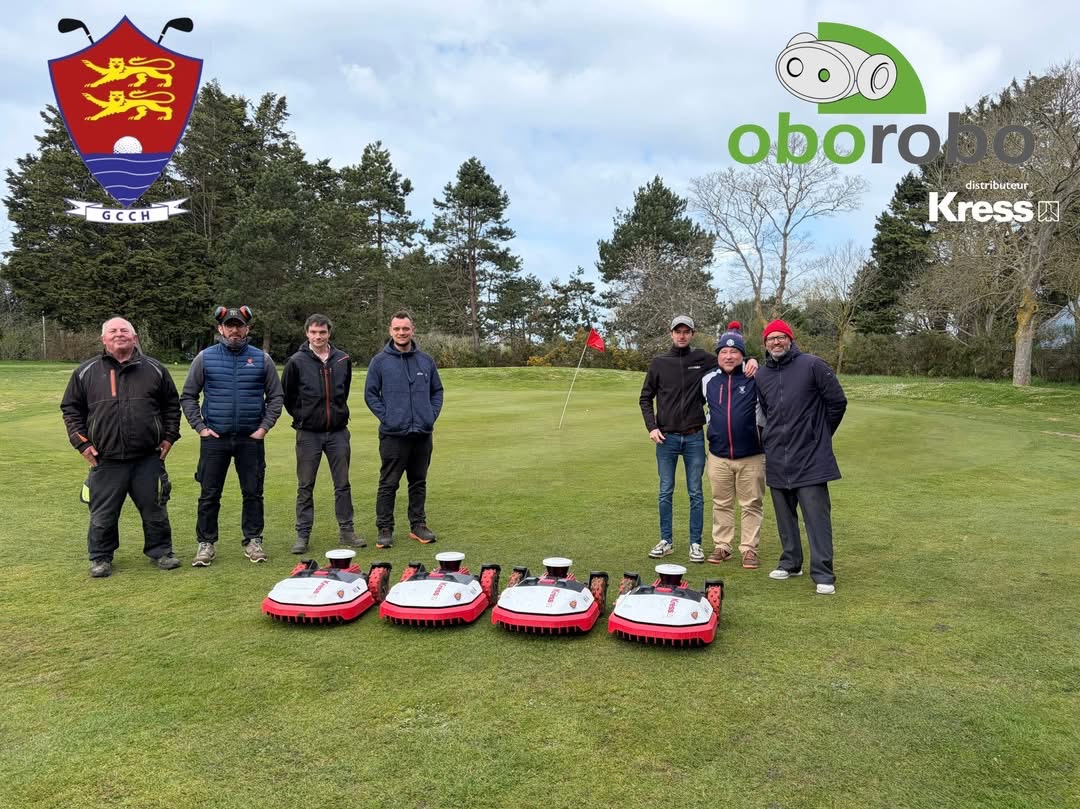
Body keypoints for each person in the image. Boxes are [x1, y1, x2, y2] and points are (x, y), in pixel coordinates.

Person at [61, 317, 182, 577]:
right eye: (113, 331)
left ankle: (161, 552)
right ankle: (101, 558)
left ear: (135, 337)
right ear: (104, 339)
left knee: (155, 509)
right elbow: (71, 409)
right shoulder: (86, 371)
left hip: (147, 458)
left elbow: (172, 405)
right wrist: (81, 444)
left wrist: (169, 437)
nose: (119, 334)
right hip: (105, 459)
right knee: (102, 514)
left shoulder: (155, 369)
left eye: (124, 330)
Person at [180, 306, 283, 566]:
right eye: (229, 325)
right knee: (209, 493)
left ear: (247, 328)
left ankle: (253, 540)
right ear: (220, 328)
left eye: (239, 325)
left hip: (251, 439)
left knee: (253, 492)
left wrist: (264, 428)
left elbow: (276, 397)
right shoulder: (205, 358)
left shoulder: (262, 359)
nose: (234, 330)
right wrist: (201, 427)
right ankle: (206, 544)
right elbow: (188, 396)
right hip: (216, 438)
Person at [755, 319, 847, 595]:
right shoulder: (762, 375)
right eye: (771, 339)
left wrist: (818, 434)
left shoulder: (812, 365)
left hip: (811, 457)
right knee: (785, 516)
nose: (776, 342)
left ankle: (823, 573)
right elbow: (766, 412)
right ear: (765, 344)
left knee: (816, 517)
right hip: (778, 456)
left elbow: (837, 403)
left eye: (781, 337)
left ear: (791, 340)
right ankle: (791, 562)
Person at [281, 314, 362, 554]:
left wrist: (336, 413)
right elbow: (288, 396)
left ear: (329, 333)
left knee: (342, 484)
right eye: (314, 332)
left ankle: (347, 531)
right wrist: (303, 416)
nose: (318, 337)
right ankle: (302, 535)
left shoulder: (342, 359)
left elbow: (343, 392)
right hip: (308, 434)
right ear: (307, 333)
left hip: (337, 432)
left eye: (322, 332)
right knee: (305, 485)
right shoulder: (296, 361)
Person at [364, 310, 444, 550]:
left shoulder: (425, 360)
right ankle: (385, 528)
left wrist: (430, 415)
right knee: (389, 483)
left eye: (405, 329)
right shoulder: (380, 361)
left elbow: (437, 391)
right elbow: (370, 394)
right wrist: (388, 417)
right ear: (391, 331)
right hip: (393, 435)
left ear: (412, 330)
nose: (401, 333)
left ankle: (418, 524)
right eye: (397, 329)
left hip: (422, 433)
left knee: (418, 481)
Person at [700, 322, 766, 570]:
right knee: (721, 502)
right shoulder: (708, 380)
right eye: (724, 352)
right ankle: (723, 546)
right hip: (718, 455)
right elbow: (700, 408)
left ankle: (749, 549)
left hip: (751, 454)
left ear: (742, 355)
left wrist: (757, 362)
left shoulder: (754, 377)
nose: (728, 356)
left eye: (734, 352)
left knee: (751, 504)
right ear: (718, 355)